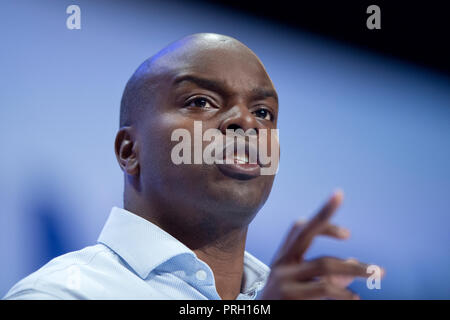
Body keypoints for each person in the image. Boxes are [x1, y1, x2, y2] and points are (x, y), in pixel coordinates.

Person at [4, 33, 382, 300]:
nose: (246, 123)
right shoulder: (62, 292)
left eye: (263, 112)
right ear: (129, 150)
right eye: (201, 101)